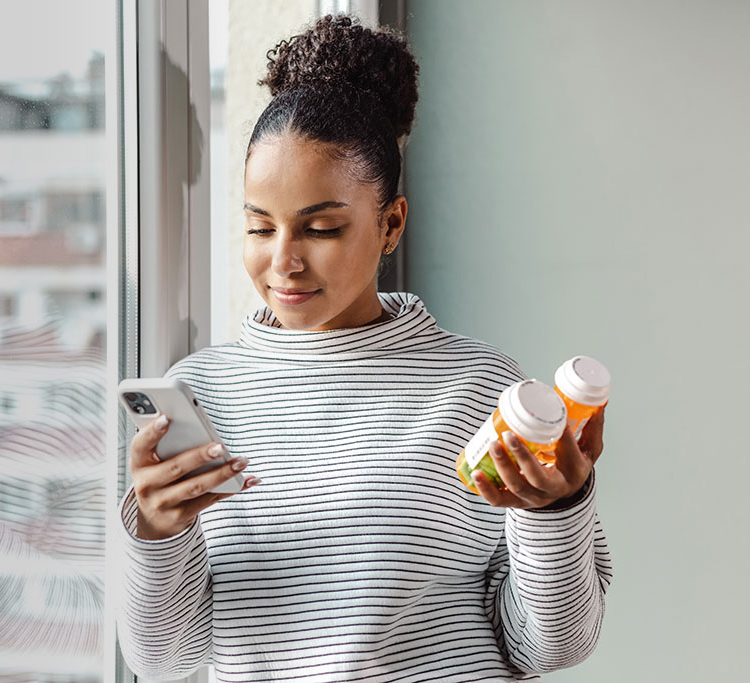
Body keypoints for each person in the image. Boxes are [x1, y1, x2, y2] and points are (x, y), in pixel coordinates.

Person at [115, 15, 612, 683]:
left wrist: (556, 509)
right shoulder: (201, 394)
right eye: (260, 226)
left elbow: (551, 646)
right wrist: (156, 531)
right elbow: (165, 661)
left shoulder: (477, 387)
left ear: (390, 224)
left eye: (320, 227)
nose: (283, 260)